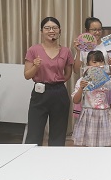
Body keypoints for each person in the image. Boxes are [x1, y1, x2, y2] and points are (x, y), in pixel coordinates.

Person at [24, 17, 74, 146]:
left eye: (54, 28)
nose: (51, 31)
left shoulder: (66, 51)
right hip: (40, 92)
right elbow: (27, 75)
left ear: (59, 30)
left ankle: (55, 158)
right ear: (41, 31)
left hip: (59, 92)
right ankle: (32, 157)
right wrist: (35, 66)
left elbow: (68, 74)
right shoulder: (33, 50)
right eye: (47, 28)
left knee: (58, 133)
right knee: (34, 133)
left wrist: (56, 80)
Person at [71, 51, 111, 147]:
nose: (98, 65)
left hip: (104, 115)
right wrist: (81, 88)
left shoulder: (108, 81)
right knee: (88, 145)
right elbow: (75, 100)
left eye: (101, 61)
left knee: (104, 145)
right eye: (94, 62)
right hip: (88, 115)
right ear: (88, 64)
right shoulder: (82, 81)